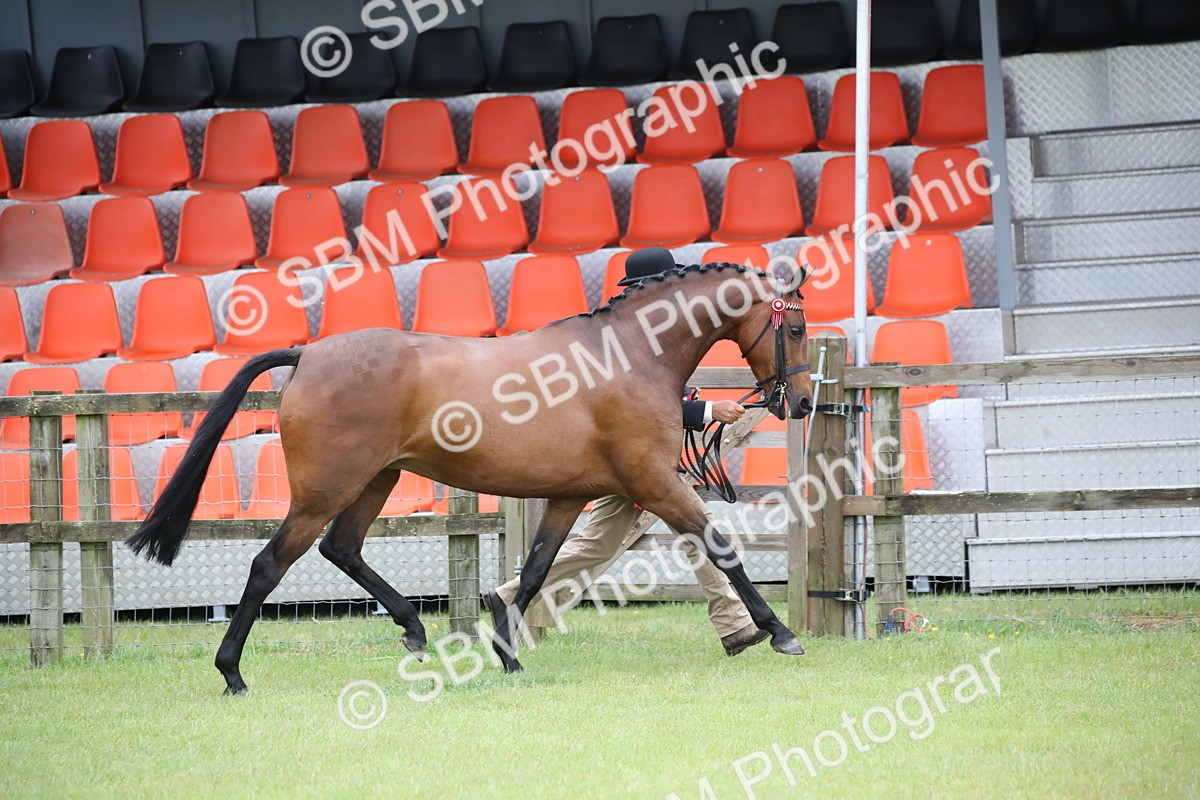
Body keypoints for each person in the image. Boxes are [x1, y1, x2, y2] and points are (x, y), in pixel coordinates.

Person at [483, 248, 772, 657]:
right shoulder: (616, 341)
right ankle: (737, 624)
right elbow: (635, 411)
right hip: (620, 461)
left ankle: (510, 596)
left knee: (601, 544)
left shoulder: (649, 340)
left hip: (631, 462)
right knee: (698, 529)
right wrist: (708, 410)